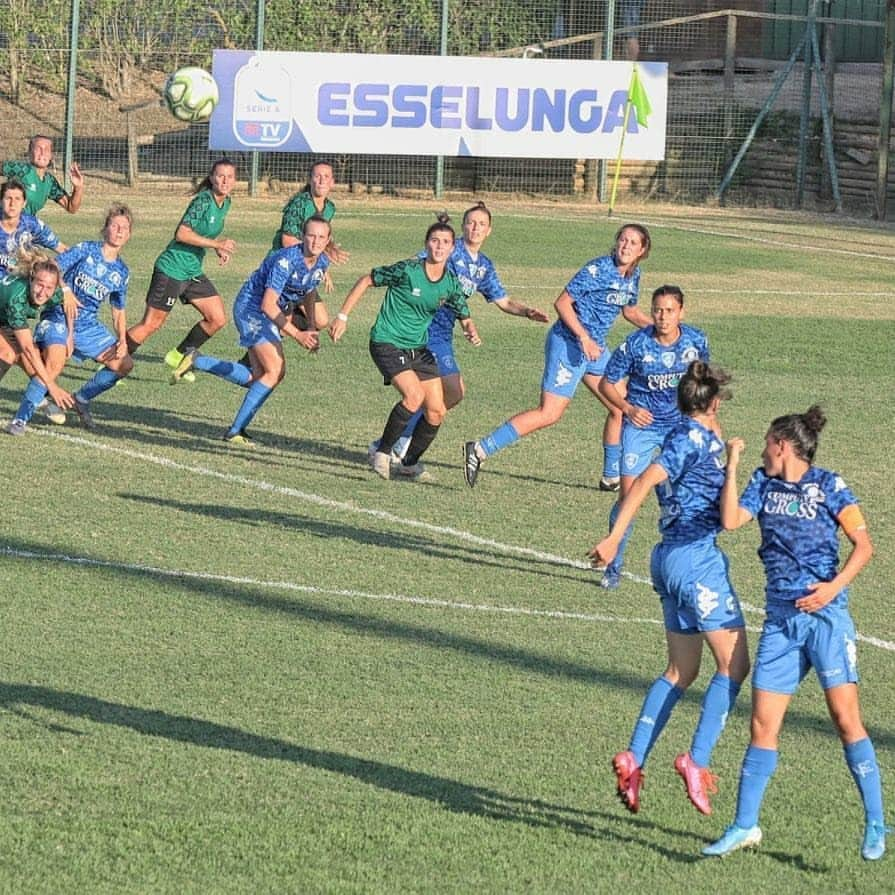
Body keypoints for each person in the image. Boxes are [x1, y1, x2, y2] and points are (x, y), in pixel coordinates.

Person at [703, 406, 889, 861]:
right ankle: (745, 824)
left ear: (782, 444)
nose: (763, 450)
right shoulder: (761, 484)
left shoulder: (831, 485)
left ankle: (876, 821)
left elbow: (865, 547)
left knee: (846, 721)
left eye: (767, 443)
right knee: (763, 725)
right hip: (781, 622)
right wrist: (731, 465)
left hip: (826, 619)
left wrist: (831, 591)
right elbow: (729, 522)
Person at [589, 361, 749, 817]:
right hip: (695, 559)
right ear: (713, 403)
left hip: (669, 560)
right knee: (735, 665)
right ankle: (696, 761)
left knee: (682, 672)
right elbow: (645, 480)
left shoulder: (697, 434)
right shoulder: (691, 439)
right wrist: (614, 538)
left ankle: (634, 757)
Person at [463, 223, 652, 489]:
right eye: (623, 240)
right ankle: (480, 449)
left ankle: (611, 478)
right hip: (569, 343)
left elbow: (630, 312)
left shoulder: (633, 275)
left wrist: (664, 329)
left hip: (594, 348)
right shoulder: (597, 269)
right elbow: (561, 303)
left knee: (621, 406)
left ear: (642, 250)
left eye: (633, 243)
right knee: (549, 413)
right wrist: (583, 338)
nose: (626, 246)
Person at [371, 201, 549, 462]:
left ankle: (398, 439)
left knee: (452, 394)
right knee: (442, 392)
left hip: (444, 335)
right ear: (463, 226)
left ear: (489, 231)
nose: (476, 228)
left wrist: (526, 311)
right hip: (424, 331)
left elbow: (504, 301)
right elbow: (418, 263)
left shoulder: (484, 266)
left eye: (482, 224)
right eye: (471, 222)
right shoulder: (450, 250)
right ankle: (394, 443)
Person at [329, 214, 480, 481]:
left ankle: (409, 463)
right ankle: (382, 452)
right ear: (426, 244)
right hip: (387, 342)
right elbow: (367, 279)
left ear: (452, 248)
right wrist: (342, 317)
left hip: (417, 348)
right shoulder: (408, 270)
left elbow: (461, 306)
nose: (439, 246)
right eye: (435, 241)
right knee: (413, 397)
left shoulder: (449, 282)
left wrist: (469, 326)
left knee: (436, 411)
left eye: (445, 242)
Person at [171, 216, 328, 444]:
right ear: (302, 237)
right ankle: (235, 431)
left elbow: (309, 290)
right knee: (275, 371)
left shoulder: (322, 262)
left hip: (266, 310)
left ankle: (197, 361)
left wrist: (312, 326)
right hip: (252, 308)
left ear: (328, 240)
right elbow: (267, 304)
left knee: (257, 377)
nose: (315, 241)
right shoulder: (286, 260)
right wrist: (297, 334)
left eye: (321, 237)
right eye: (311, 235)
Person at [596, 285, 709, 590]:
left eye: (669, 310)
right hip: (641, 429)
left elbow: (705, 386)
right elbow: (607, 384)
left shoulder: (696, 342)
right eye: (657, 309)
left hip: (678, 429)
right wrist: (628, 408)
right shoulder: (635, 344)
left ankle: (680, 567)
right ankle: (613, 565)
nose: (662, 316)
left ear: (681, 312)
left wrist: (706, 423)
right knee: (629, 496)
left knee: (679, 500)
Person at [20, 206, 135, 433]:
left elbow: (118, 309)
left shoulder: (122, 272)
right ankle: (20, 419)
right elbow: (53, 267)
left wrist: (122, 339)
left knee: (124, 364)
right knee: (54, 365)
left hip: (87, 324)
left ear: (129, 234)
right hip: (59, 316)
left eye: (124, 228)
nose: (119, 231)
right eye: (115, 225)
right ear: (105, 229)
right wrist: (65, 290)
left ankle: (81, 399)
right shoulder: (85, 249)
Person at [125, 158, 237, 381]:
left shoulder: (226, 202)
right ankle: (113, 363)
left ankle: (177, 356)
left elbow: (202, 231)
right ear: (212, 177)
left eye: (230, 176)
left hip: (191, 271)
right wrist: (217, 244)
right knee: (151, 324)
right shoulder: (203, 201)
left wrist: (216, 248)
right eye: (220, 175)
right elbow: (182, 234)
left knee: (217, 318)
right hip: (172, 269)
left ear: (235, 180)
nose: (225, 180)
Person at [0, 252, 75, 434]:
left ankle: (38, 401)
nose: (43, 292)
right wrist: (52, 387)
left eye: (49, 287)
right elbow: (27, 348)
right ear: (31, 280)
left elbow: (67, 303)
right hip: (6, 317)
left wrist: (70, 334)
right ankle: (43, 397)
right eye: (39, 285)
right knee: (7, 354)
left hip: (6, 321)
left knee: (37, 371)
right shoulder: (17, 298)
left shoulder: (55, 292)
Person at [270, 160, 348, 329]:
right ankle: (277, 318)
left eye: (326, 177)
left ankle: (281, 317)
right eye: (317, 176)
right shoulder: (299, 204)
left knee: (321, 321)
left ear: (332, 182)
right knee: (282, 326)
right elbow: (287, 241)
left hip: (305, 268)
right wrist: (321, 257)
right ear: (310, 179)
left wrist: (323, 265)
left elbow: (320, 240)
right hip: (284, 266)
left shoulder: (330, 208)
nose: (321, 181)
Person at [2, 135, 84, 216]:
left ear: (51, 155)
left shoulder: (50, 182)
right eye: (38, 148)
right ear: (30, 153)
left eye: (46, 149)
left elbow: (71, 207)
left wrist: (78, 187)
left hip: (26, 225)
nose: (42, 153)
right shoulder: (21, 169)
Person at [0, 178, 67, 277]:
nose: (12, 204)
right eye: (8, 198)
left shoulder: (32, 224)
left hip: (21, 282)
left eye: (17, 199)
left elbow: (62, 248)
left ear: (24, 203)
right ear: (1, 201)